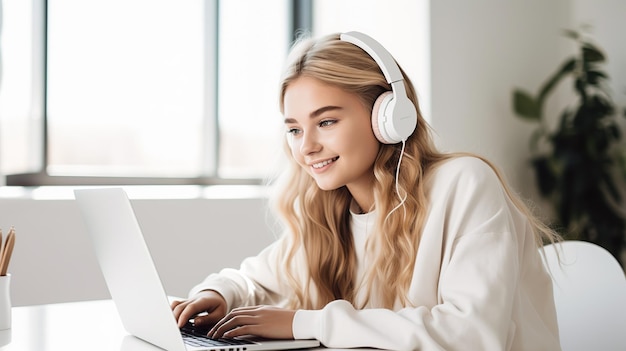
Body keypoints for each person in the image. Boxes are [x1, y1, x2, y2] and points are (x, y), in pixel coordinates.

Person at [171, 31, 562, 350]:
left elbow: (472, 335)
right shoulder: (329, 208)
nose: (305, 147)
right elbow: (259, 279)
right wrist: (218, 294)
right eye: (294, 129)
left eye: (325, 122)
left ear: (389, 117)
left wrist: (306, 324)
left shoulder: (464, 184)